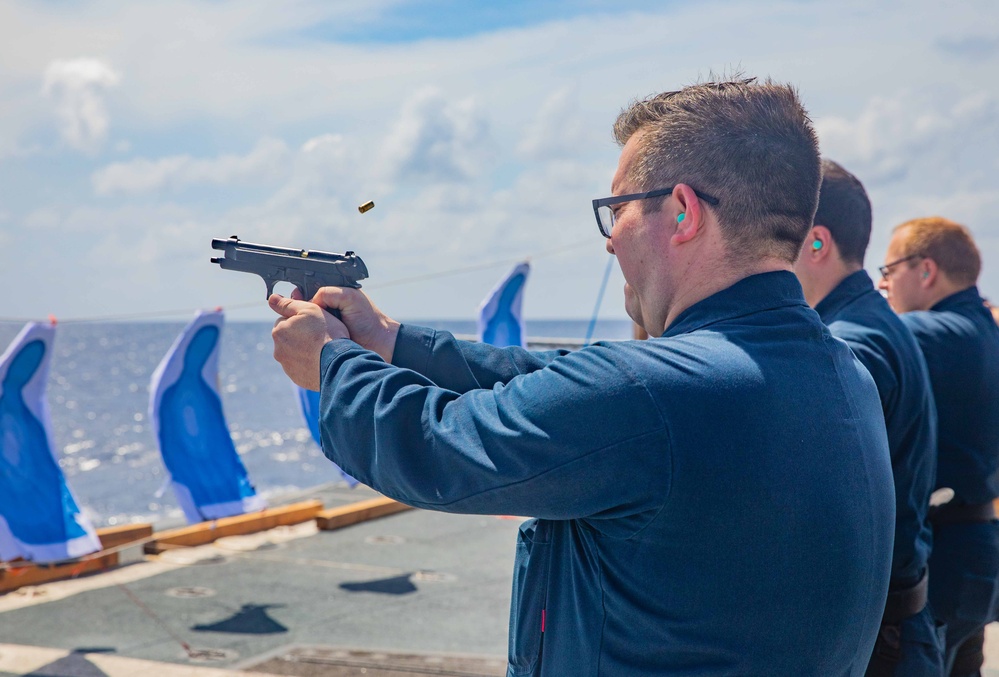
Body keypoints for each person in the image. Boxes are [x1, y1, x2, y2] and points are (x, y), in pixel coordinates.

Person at [270, 78, 895, 675]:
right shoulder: (841, 372)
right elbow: (563, 380)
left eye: (616, 210)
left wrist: (332, 366)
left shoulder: (651, 395)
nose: (609, 242)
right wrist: (393, 344)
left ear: (682, 212)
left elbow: (441, 447)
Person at [794, 160, 941, 676]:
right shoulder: (873, 324)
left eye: (774, 234)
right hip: (900, 626)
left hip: (881, 641)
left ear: (816, 242)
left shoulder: (848, 346)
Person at [879, 217, 999, 677]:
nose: (883, 285)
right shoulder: (984, 330)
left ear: (925, 270)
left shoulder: (928, 335)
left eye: (888, 271)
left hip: (944, 559)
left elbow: (865, 336)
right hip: (980, 546)